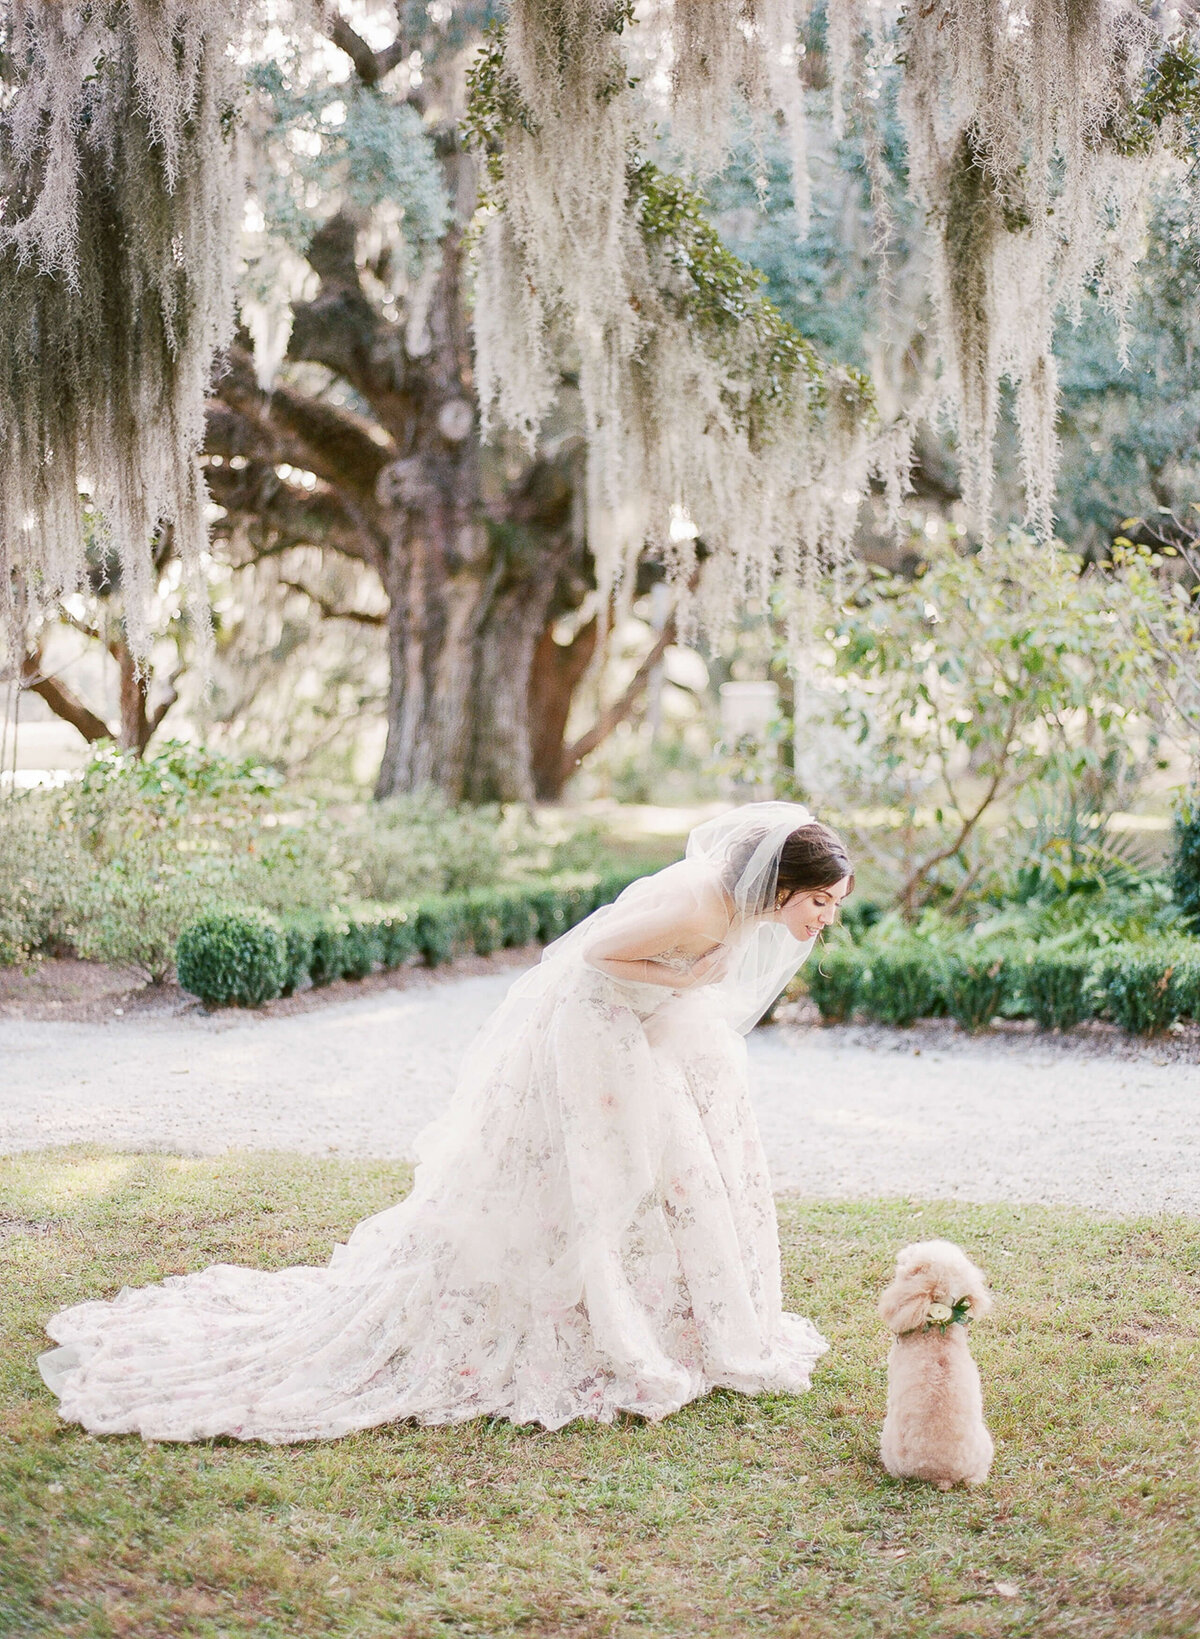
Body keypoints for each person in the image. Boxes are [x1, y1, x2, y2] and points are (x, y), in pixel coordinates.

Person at [39, 802, 853, 1442]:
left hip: (636, 1025)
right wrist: (692, 974)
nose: (824, 919)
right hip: (596, 1027)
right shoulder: (707, 914)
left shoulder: (740, 908)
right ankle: (582, 1317)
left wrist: (682, 993)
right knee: (600, 1176)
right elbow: (599, 954)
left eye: (834, 906)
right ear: (781, 884)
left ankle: (670, 1317)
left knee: (673, 1171)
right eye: (820, 902)